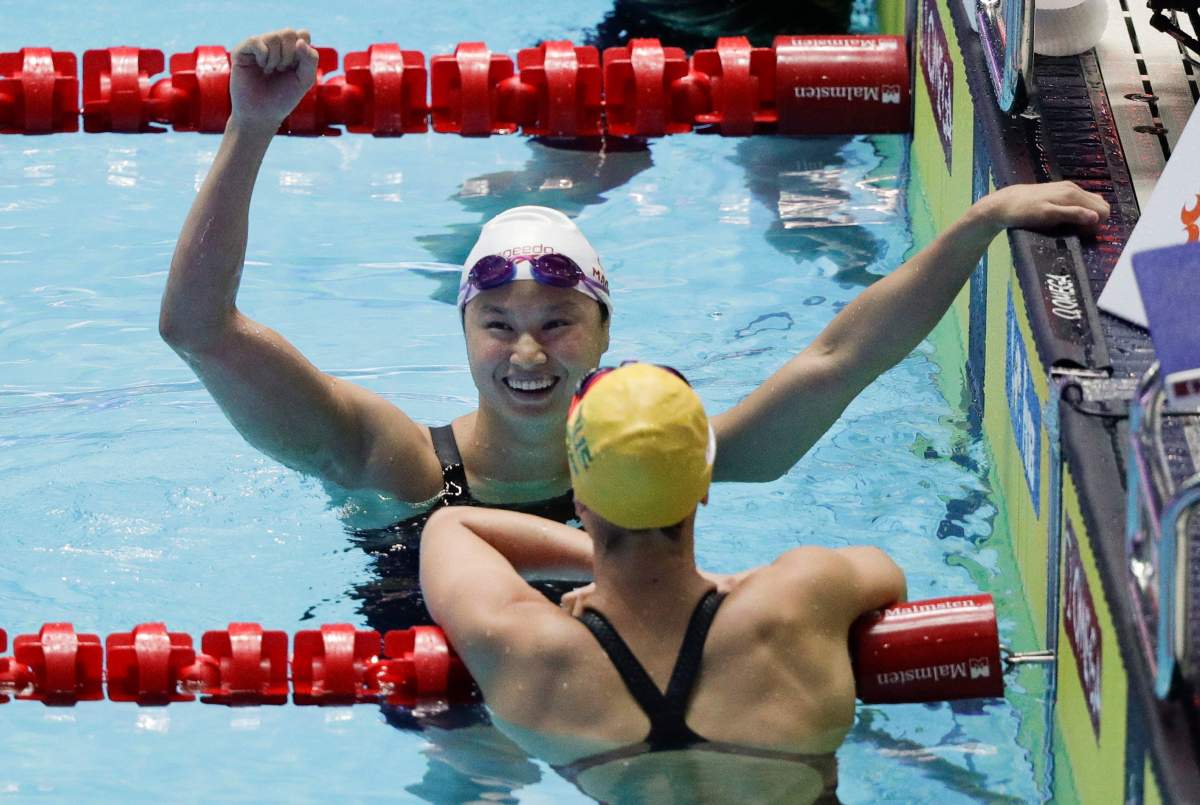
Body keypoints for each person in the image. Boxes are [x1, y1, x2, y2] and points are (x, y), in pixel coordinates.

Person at [160, 28, 1112, 533]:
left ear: (607, 331)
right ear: (462, 333)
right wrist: (251, 127)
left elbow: (837, 357)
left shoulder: (663, 462)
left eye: (558, 319)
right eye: (498, 322)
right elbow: (198, 330)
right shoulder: (388, 459)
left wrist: (982, 221)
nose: (528, 349)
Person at [419, 362, 908, 802]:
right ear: (702, 486)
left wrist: (607, 566)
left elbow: (449, 525)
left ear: (580, 500)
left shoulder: (526, 647)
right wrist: (731, 582)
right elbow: (889, 579)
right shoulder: (802, 599)